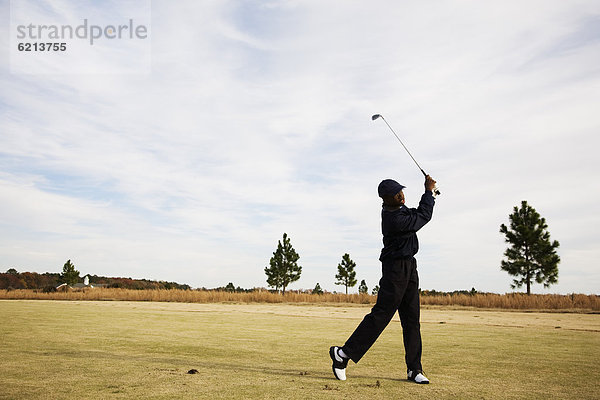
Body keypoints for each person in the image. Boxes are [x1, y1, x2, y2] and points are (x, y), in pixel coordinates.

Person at [329, 175, 436, 384]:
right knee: (381, 316)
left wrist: (429, 194)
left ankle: (414, 370)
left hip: (409, 267)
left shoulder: (400, 209)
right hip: (395, 270)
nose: (401, 195)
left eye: (401, 191)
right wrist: (428, 192)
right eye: (396, 194)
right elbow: (423, 215)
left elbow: (418, 213)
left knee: (412, 320)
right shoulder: (393, 219)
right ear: (386, 199)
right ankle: (342, 355)